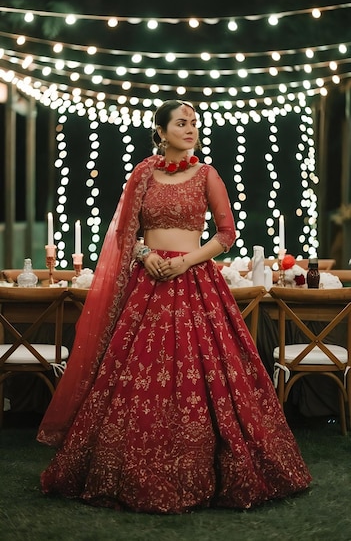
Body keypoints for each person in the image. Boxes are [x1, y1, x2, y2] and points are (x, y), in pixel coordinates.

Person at [37, 99, 311, 513]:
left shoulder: (207, 175)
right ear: (161, 132)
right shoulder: (143, 174)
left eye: (194, 123)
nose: (190, 128)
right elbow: (125, 233)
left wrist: (185, 261)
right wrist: (144, 253)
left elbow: (226, 234)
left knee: (205, 370)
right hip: (147, 283)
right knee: (137, 371)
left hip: (195, 279)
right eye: (181, 123)